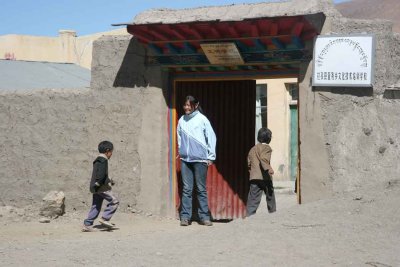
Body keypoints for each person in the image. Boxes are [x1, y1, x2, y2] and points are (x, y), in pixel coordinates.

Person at [177, 95, 216, 226]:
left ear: (195, 105)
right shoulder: (181, 120)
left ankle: (204, 216)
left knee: (201, 189)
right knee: (187, 189)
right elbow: (179, 138)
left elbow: (211, 137)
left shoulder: (202, 119)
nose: (186, 107)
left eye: (189, 105)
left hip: (200, 160)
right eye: (185, 105)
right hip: (185, 160)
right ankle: (185, 217)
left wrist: (211, 156)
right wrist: (180, 151)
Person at [82, 141, 119, 232]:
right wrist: (99, 184)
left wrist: (109, 179)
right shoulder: (103, 160)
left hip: (95, 187)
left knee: (96, 205)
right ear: (107, 151)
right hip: (102, 187)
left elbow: (100, 174)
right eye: (111, 152)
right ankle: (105, 219)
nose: (111, 154)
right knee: (115, 201)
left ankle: (87, 224)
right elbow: (101, 175)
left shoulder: (97, 160)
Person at [246, 127, 276, 216]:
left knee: (253, 198)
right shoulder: (267, 148)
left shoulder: (253, 149)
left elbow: (249, 163)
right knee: (270, 195)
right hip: (265, 177)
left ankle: (249, 215)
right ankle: (273, 213)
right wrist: (268, 169)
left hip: (254, 177)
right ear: (269, 138)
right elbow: (264, 159)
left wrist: (252, 172)